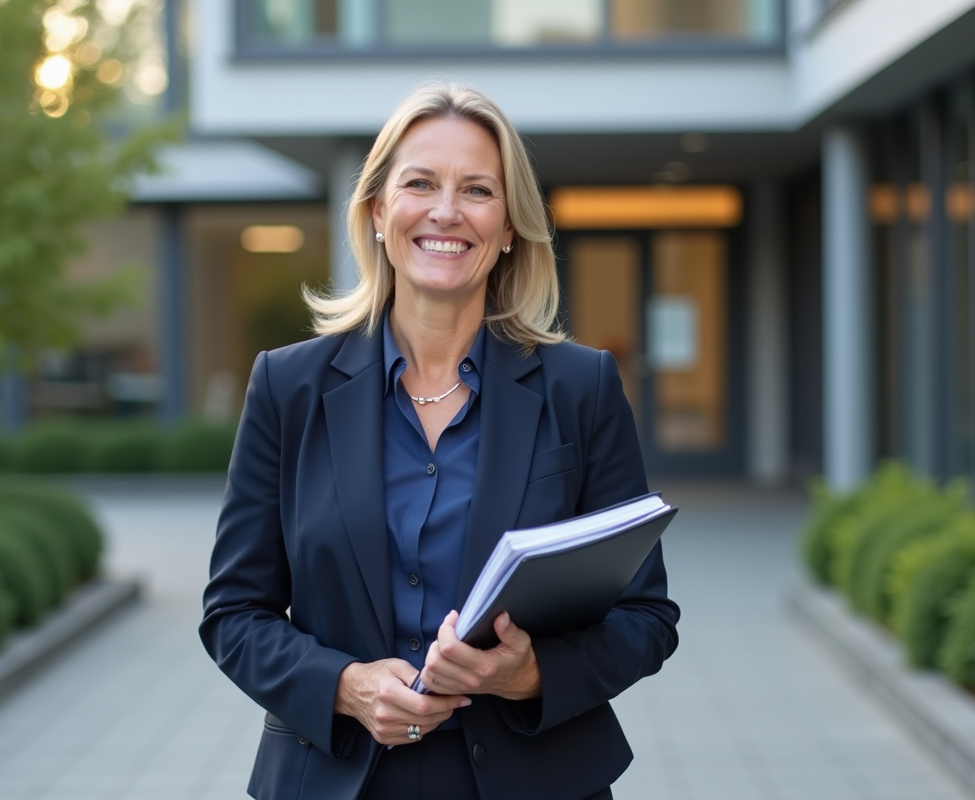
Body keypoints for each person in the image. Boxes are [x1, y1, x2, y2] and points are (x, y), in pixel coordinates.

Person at [199, 82, 680, 800]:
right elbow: (234, 614)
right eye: (420, 183)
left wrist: (531, 674)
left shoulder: (581, 388)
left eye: (477, 190)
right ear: (377, 211)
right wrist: (346, 686)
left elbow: (646, 617)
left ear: (510, 225)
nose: (446, 212)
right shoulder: (287, 387)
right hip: (337, 778)